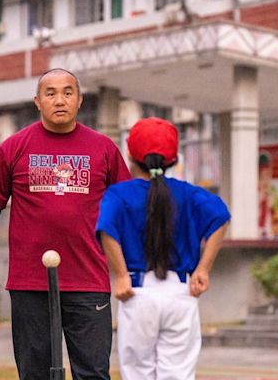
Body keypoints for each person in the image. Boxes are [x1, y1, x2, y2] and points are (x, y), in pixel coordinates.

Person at [0, 68, 130, 380]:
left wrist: (127, 269)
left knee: (93, 372)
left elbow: (125, 211)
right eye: (50, 93)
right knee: (34, 374)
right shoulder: (14, 147)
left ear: (79, 100)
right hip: (29, 283)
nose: (59, 100)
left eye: (67, 92)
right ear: (37, 101)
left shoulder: (104, 149)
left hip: (87, 280)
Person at [96, 117, 230, 380]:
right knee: (178, 375)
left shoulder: (119, 194)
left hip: (137, 293)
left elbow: (107, 229)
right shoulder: (188, 193)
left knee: (138, 374)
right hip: (181, 292)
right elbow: (221, 217)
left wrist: (121, 274)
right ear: (174, 160)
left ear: (130, 155)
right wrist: (203, 269)